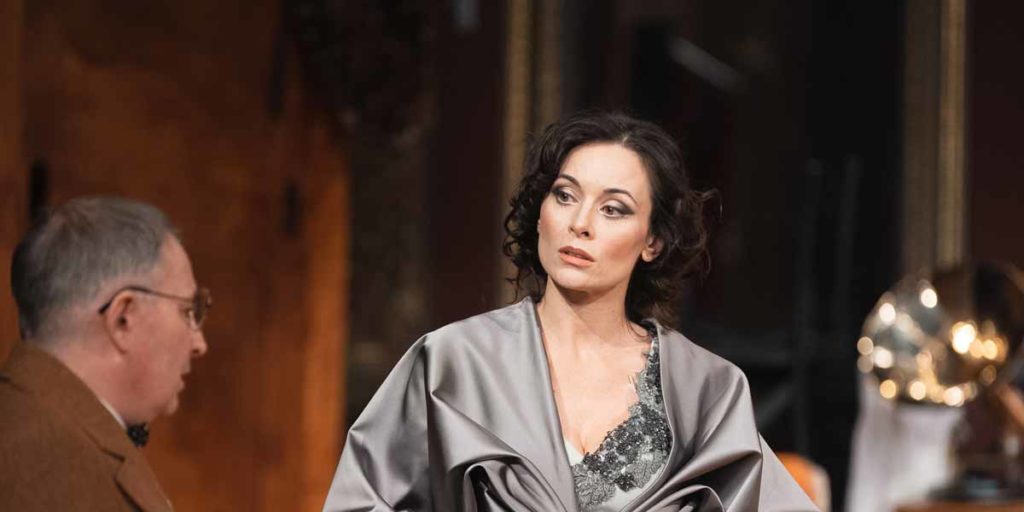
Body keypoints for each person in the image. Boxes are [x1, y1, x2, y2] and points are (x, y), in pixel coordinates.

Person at [323, 111, 817, 511]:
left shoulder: (705, 389)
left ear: (652, 241)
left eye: (613, 209)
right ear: (540, 214)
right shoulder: (453, 363)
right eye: (565, 196)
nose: (580, 223)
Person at [0, 196, 210, 511]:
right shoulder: (53, 462)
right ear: (123, 318)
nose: (199, 344)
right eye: (188, 311)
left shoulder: (39, 424)